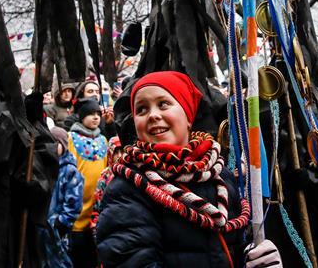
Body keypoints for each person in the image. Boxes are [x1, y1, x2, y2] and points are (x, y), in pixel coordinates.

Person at [96, 70, 283, 268]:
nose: (153, 115)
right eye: (141, 110)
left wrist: (255, 260)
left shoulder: (219, 176)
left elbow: (232, 247)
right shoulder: (128, 188)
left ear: (188, 116)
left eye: (163, 104)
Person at [68, 98, 108, 268]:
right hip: (76, 208)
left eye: (98, 114)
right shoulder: (71, 138)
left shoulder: (103, 140)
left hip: (96, 207)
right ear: (81, 116)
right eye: (91, 114)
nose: (95, 117)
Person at [41, 127, 85, 268]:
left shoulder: (70, 171)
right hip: (42, 229)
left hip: (58, 231)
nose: (52, 147)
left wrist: (60, 223)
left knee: (60, 261)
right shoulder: (44, 166)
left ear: (64, 146)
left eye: (56, 143)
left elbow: (74, 203)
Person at [90, 135, 122, 231]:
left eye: (123, 151)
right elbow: (97, 208)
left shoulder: (133, 174)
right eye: (116, 152)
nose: (120, 156)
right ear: (110, 154)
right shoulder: (105, 176)